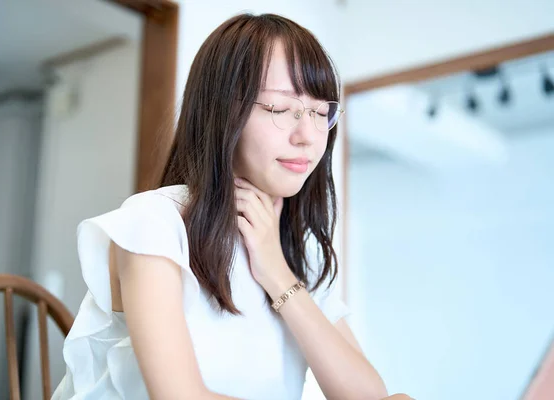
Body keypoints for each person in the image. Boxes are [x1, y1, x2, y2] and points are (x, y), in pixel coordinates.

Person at [52, 12, 404, 400]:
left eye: (321, 113)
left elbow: (371, 395)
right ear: (222, 112)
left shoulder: (295, 249)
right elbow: (179, 396)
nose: (308, 135)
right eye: (280, 109)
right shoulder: (155, 222)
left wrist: (278, 274)